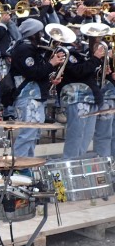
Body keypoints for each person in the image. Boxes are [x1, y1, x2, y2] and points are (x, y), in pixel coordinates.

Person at [10, 19, 65, 157]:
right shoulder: (24, 49)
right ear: (33, 34)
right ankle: (18, 165)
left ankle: (27, 164)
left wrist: (51, 77)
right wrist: (51, 63)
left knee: (33, 135)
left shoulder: (30, 48)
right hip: (28, 97)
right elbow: (33, 72)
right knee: (27, 135)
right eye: (39, 32)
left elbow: (39, 72)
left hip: (34, 96)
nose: (41, 35)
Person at [58, 29, 106, 159]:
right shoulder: (65, 53)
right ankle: (69, 164)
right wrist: (95, 58)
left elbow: (89, 72)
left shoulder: (82, 54)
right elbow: (79, 72)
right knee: (76, 135)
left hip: (90, 97)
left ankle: (79, 164)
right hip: (77, 98)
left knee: (87, 136)